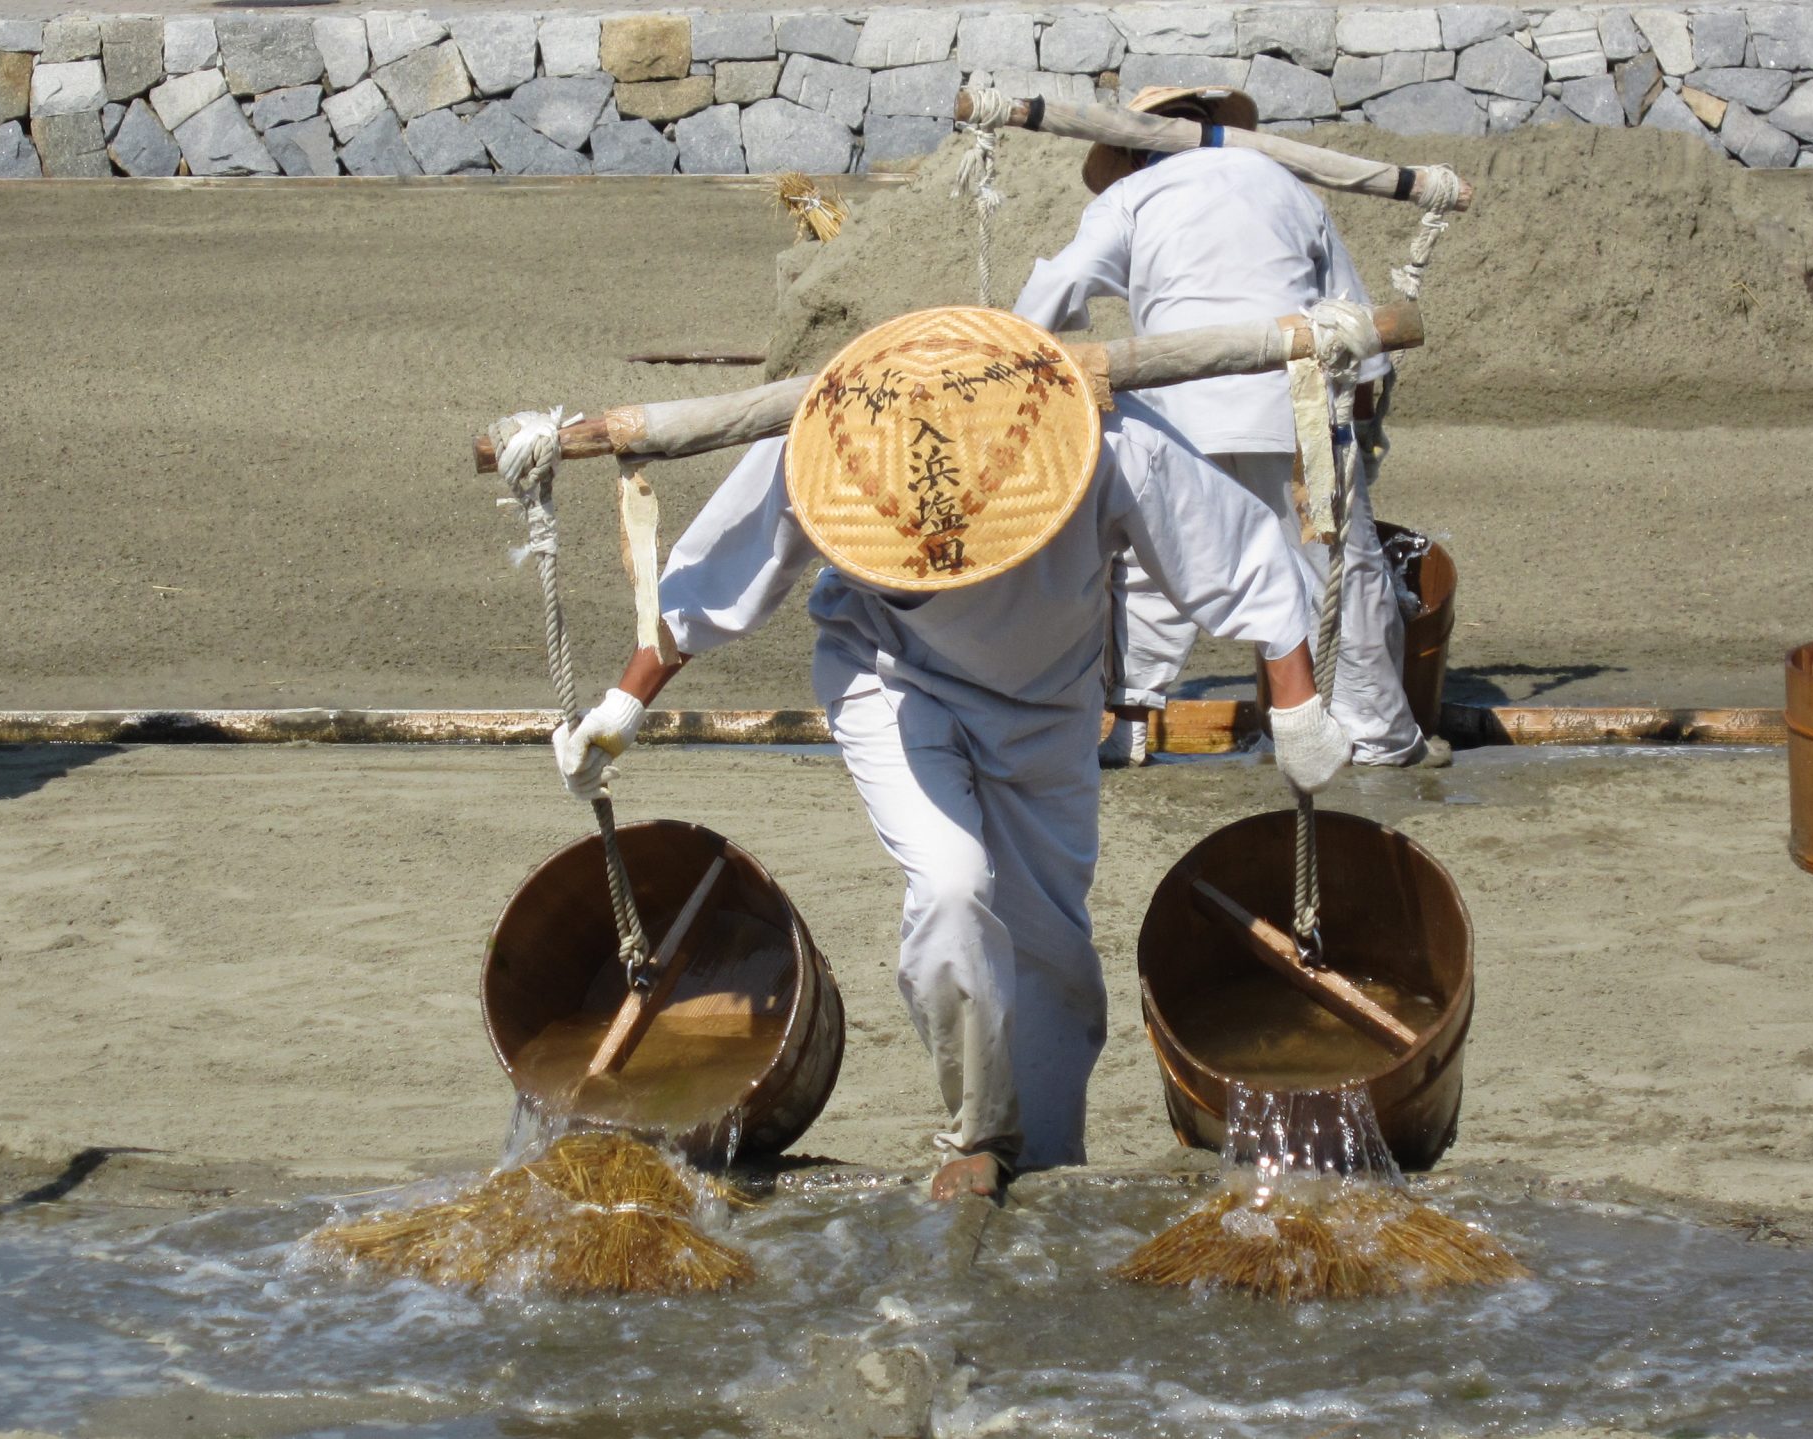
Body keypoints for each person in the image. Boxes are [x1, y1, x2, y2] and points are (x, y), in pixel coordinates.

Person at [547, 309, 1357, 1200]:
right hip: (890, 674)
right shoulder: (838, 430)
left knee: (1050, 947)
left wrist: (1298, 710)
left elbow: (1242, 564)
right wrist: (621, 705)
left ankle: (1044, 1162)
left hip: (1049, 700)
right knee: (951, 884)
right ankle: (976, 1136)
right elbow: (716, 577)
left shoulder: (1101, 434)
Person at [1011, 85, 1443, 771]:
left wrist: (1007, 368)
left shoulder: (1129, 198)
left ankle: (1126, 722)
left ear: (1128, 149)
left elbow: (1048, 296)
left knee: (1148, 566)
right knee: (1336, 562)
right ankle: (1379, 737)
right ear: (1213, 127)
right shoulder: (1283, 182)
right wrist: (1357, 414)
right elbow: (1353, 322)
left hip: (1177, 411)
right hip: (1293, 402)